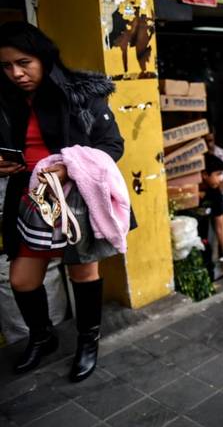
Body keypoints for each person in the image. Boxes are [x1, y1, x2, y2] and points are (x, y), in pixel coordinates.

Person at [0, 22, 124, 382]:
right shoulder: (5, 100)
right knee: (22, 280)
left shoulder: (81, 94)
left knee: (83, 271)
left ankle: (89, 340)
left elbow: (112, 146)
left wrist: (70, 169)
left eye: (23, 62)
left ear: (43, 56)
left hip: (76, 198)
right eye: (6, 66)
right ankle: (43, 336)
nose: (16, 73)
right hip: (29, 197)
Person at [183, 153, 223, 279]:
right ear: (204, 174)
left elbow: (220, 227)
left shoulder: (214, 193)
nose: (221, 178)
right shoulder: (186, 191)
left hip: (203, 244)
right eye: (218, 174)